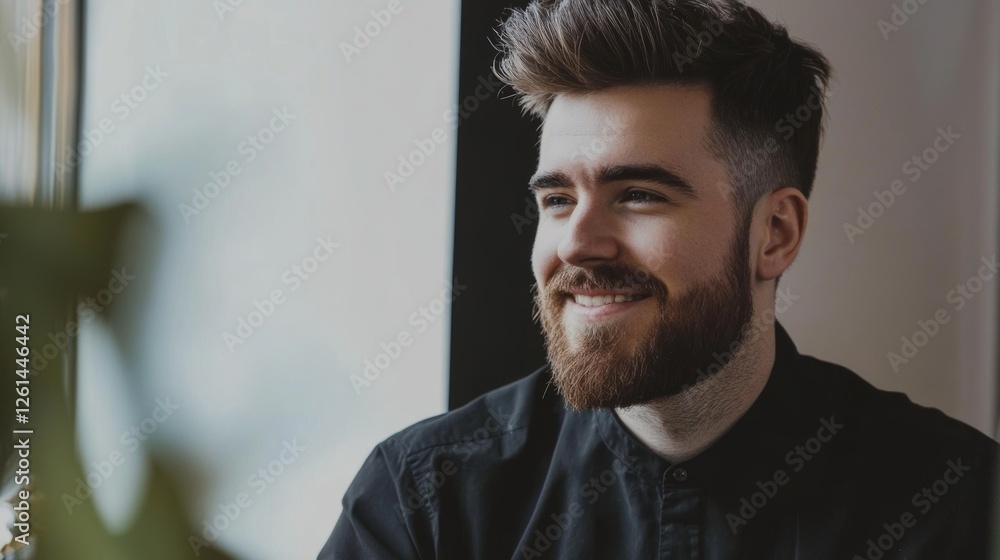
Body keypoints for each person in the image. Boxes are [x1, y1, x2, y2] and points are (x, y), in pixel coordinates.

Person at [319, 0, 999, 558]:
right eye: (557, 199)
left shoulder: (954, 507)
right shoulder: (423, 502)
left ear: (775, 234)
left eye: (639, 195)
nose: (577, 243)